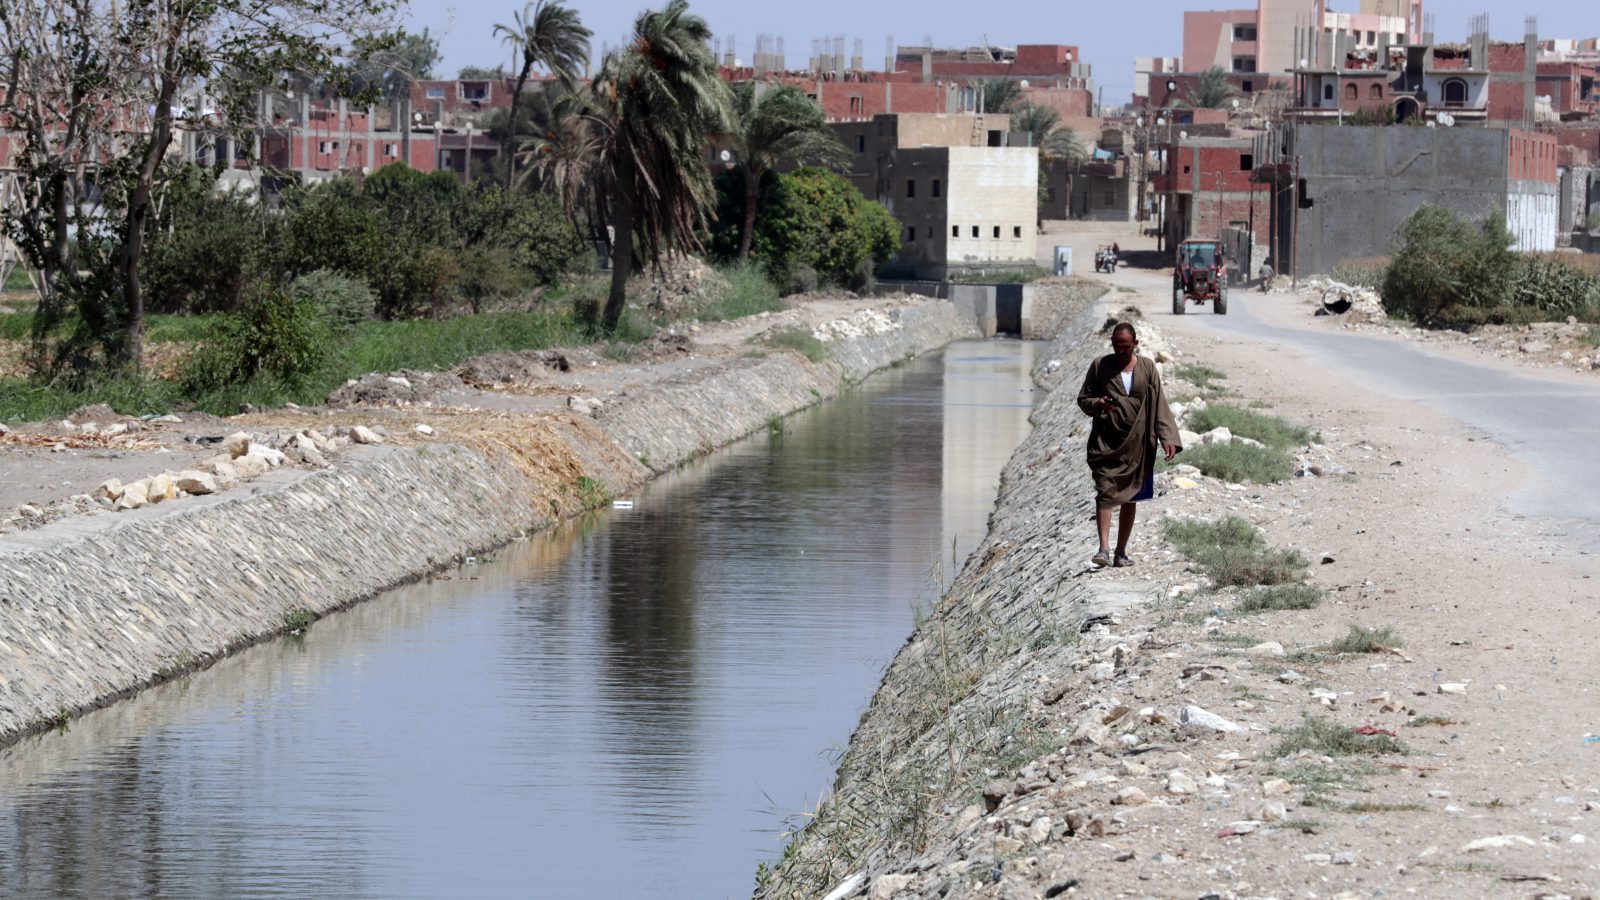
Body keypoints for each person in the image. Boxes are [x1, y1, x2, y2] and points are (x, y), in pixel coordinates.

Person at [1076, 322, 1181, 568]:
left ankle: (1120, 552)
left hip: (1139, 445)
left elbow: (1159, 404)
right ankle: (1103, 549)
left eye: (1126, 347)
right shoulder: (1100, 366)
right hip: (1107, 443)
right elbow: (1083, 399)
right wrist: (1099, 404)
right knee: (1105, 492)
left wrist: (1168, 438)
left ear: (1135, 344)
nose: (1121, 351)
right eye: (1117, 346)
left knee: (1130, 497)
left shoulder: (1147, 367)